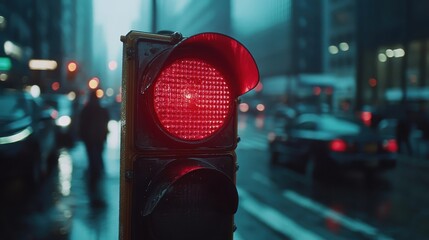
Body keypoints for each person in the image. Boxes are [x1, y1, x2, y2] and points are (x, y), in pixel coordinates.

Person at [79, 90, 110, 175]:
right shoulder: (102, 109)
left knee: (90, 153)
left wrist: (82, 134)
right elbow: (106, 121)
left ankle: (93, 168)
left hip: (89, 135)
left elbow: (82, 122)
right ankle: (98, 167)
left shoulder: (86, 109)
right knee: (99, 152)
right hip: (99, 135)